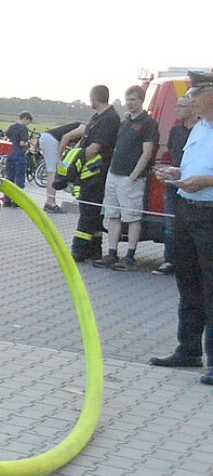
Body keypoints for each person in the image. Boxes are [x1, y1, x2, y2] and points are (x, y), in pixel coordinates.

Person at [148, 78, 213, 385]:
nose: (190, 103)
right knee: (188, 283)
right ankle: (188, 350)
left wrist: (206, 182)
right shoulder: (199, 127)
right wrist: (178, 172)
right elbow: (194, 165)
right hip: (188, 209)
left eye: (195, 97)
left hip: (210, 213)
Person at [95, 85, 159, 270]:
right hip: (114, 174)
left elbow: (146, 152)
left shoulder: (148, 123)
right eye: (128, 99)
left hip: (130, 178)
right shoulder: (125, 122)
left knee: (131, 217)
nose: (130, 103)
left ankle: (130, 256)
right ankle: (112, 253)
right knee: (112, 215)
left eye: (134, 100)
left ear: (141, 100)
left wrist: (133, 176)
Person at [67, 86, 120, 262]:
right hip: (89, 172)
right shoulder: (98, 117)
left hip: (96, 172)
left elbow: (94, 148)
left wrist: (75, 165)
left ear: (94, 98)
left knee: (88, 211)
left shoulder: (110, 118)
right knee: (92, 213)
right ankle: (94, 249)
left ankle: (79, 250)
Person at [157, 93, 196, 276]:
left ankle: (189, 262)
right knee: (171, 223)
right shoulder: (175, 131)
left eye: (180, 107)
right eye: (176, 106)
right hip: (174, 182)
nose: (176, 110)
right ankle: (170, 260)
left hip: (194, 184)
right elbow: (172, 153)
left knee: (193, 224)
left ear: (192, 109)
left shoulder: (200, 131)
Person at [42, 118, 82, 213]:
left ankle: (49, 202)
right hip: (51, 140)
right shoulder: (84, 129)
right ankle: (50, 203)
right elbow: (66, 137)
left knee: (51, 171)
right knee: (53, 172)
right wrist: (60, 156)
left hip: (47, 138)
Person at [4, 112, 33, 189]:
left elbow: (5, 139)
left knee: (9, 178)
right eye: (28, 122)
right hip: (19, 155)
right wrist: (28, 143)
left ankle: (7, 199)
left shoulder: (12, 127)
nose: (27, 124)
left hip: (10, 154)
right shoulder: (23, 129)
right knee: (20, 179)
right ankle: (17, 200)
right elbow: (22, 143)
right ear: (25, 118)